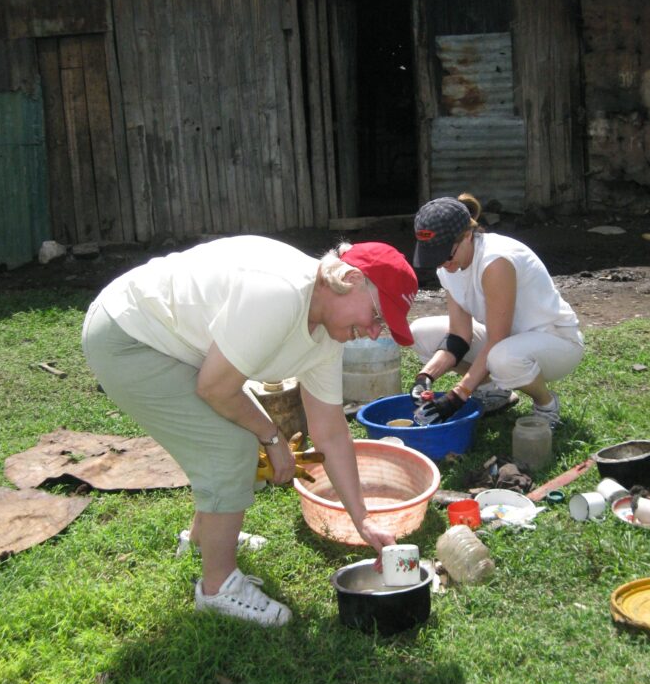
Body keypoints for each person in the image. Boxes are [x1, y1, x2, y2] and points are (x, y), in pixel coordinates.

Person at [82, 236, 418, 627]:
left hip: (174, 342)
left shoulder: (327, 333)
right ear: (351, 278)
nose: (376, 332)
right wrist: (272, 438)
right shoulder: (282, 294)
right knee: (232, 447)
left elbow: (330, 431)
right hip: (127, 337)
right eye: (378, 316)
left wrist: (363, 519)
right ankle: (217, 588)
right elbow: (214, 388)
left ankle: (202, 540)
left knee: (238, 433)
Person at [409, 194, 584, 429]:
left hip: (556, 342)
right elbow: (459, 337)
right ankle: (494, 393)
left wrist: (457, 396)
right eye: (433, 256)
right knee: (420, 332)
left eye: (445, 254)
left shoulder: (495, 262)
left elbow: (496, 340)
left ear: (467, 235)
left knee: (502, 357)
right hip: (507, 342)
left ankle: (546, 404)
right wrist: (425, 377)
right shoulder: (449, 268)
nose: (441, 264)